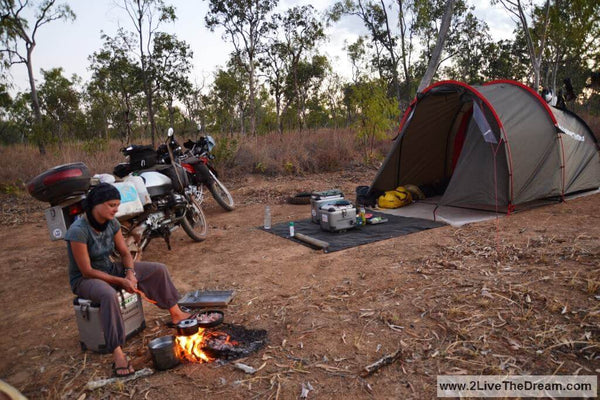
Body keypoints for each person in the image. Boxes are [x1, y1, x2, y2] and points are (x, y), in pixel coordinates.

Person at [65, 183, 192, 377]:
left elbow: (124, 253)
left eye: (117, 205)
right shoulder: (78, 231)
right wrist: (119, 281)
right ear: (95, 205)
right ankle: (117, 352)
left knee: (158, 269)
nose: (116, 209)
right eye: (111, 205)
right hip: (84, 279)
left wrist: (130, 273)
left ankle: (175, 312)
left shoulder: (113, 223)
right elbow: (87, 270)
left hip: (109, 268)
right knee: (108, 294)